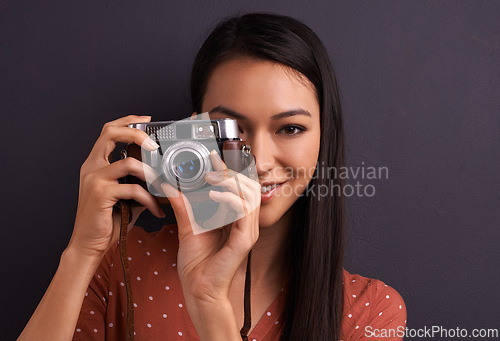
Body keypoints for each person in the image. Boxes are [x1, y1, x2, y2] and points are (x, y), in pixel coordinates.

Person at [19, 13, 407, 341]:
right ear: (192, 130)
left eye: (289, 129)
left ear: (326, 136)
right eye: (231, 130)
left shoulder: (370, 312)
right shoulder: (119, 261)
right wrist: (82, 253)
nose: (258, 160)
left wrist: (208, 303)